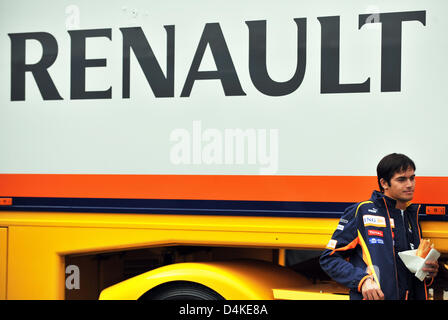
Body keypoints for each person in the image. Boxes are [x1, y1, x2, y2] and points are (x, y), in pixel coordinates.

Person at [319, 153, 439, 300]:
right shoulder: (362, 211)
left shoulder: (411, 216)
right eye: (401, 179)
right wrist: (362, 281)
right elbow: (329, 258)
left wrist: (428, 272)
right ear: (384, 183)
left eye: (412, 178)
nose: (410, 184)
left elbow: (408, 272)